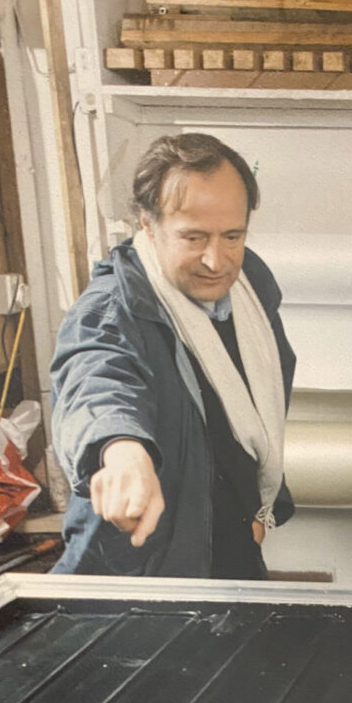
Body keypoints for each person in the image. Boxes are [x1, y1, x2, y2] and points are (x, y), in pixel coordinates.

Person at [50, 133, 295, 578]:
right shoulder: (112, 309)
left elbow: (261, 409)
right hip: (139, 578)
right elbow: (95, 379)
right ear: (147, 223)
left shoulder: (251, 290)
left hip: (226, 559)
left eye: (232, 235)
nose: (215, 259)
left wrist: (258, 512)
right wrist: (121, 449)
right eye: (193, 237)